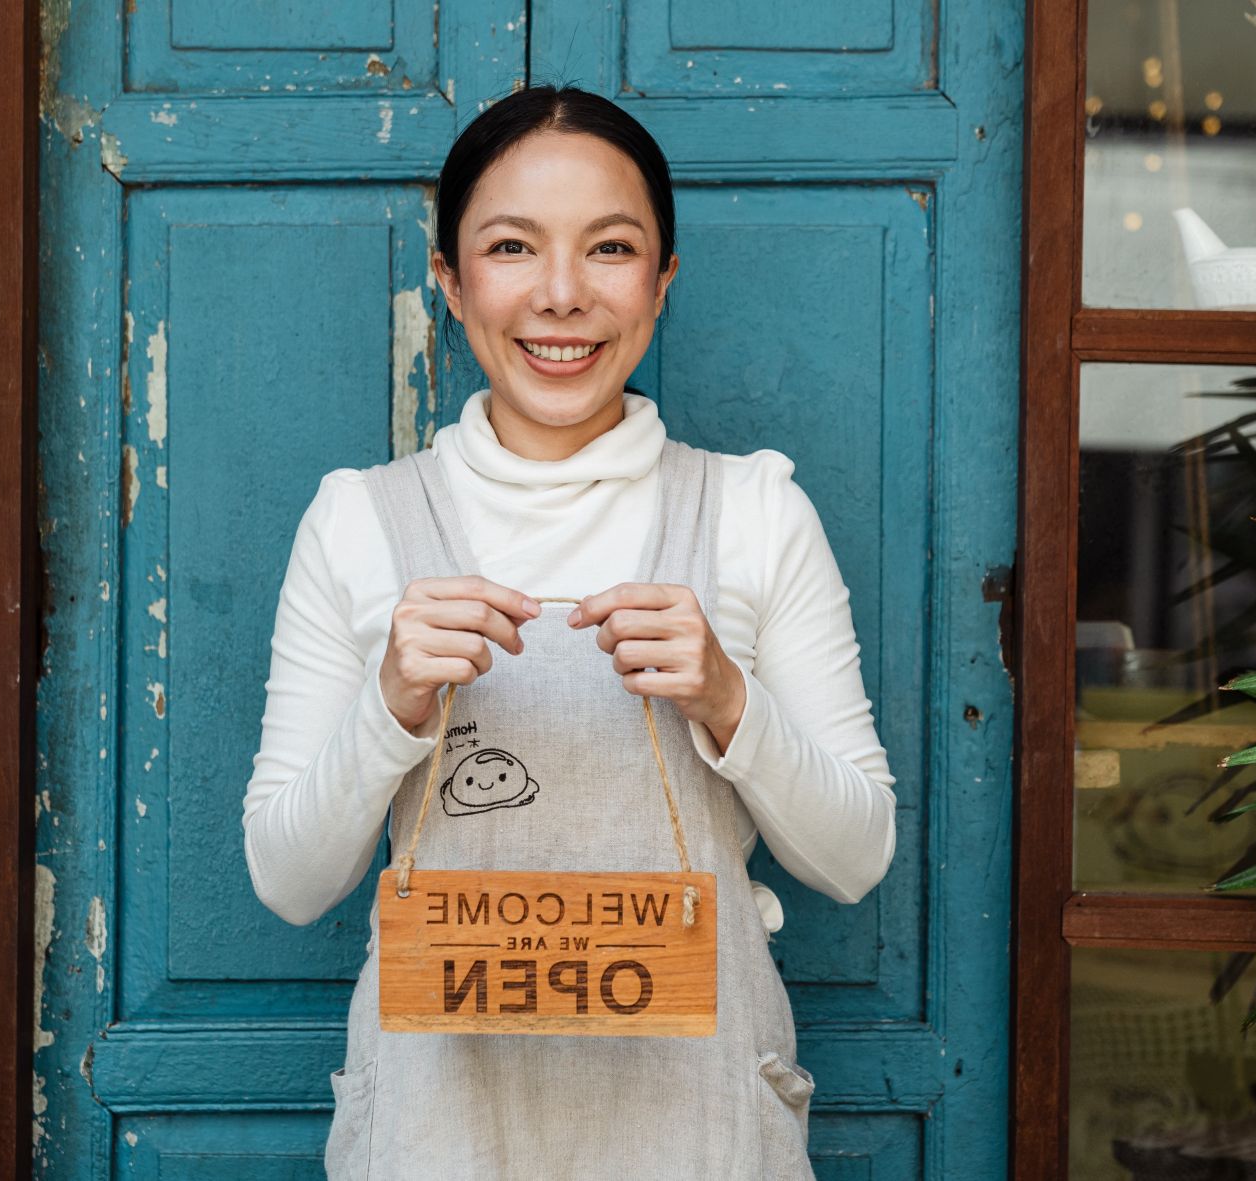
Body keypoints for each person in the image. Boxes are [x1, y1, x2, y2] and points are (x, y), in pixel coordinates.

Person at [240, 83, 896, 1180]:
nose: (559, 295)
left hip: (697, 1132)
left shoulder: (753, 511)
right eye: (509, 247)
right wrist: (390, 704)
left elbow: (855, 856)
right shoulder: (359, 519)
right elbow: (288, 879)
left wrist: (729, 701)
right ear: (449, 281)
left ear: (660, 281)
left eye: (608, 248)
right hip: (437, 1133)